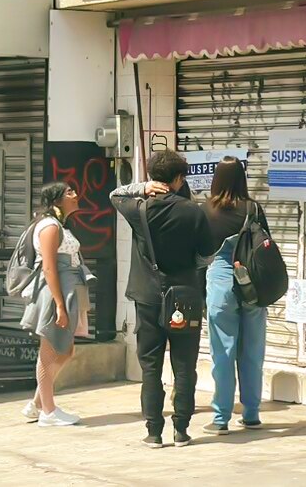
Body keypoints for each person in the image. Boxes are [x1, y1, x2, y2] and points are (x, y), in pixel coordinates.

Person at [111, 150, 214, 449]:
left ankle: (153, 431)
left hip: (147, 297)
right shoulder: (194, 212)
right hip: (185, 297)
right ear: (179, 178)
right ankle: (181, 429)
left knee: (151, 366)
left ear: (153, 178)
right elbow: (206, 254)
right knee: (184, 365)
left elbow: (114, 194)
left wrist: (141, 188)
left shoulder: (137, 209)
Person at [201, 156, 270, 435]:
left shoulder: (206, 209)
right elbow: (266, 244)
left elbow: (200, 249)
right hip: (252, 281)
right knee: (253, 351)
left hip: (220, 282)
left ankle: (220, 419)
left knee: (223, 352)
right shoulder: (253, 208)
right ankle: (251, 414)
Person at [19, 182, 94, 427]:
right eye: (69, 192)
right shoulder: (50, 227)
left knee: (66, 349)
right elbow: (49, 267)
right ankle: (48, 412)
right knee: (50, 349)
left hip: (67, 290)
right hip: (55, 293)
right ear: (56, 201)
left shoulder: (59, 225)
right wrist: (59, 305)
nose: (76, 194)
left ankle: (38, 403)